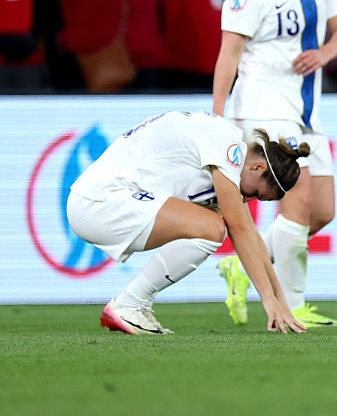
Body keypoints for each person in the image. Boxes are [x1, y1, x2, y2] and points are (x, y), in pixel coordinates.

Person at [212, 0, 337, 328]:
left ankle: (242, 266)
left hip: (306, 110)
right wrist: (217, 118)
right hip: (263, 104)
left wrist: (324, 54)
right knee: (299, 199)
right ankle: (293, 306)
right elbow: (229, 54)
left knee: (322, 211)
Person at [66, 111, 307, 335]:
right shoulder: (228, 146)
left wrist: (281, 300)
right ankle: (129, 305)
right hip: (99, 201)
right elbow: (240, 229)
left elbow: (251, 235)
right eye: (255, 193)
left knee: (213, 225)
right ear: (258, 166)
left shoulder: (231, 162)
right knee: (213, 228)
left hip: (105, 201)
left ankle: (133, 306)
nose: (248, 199)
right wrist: (267, 299)